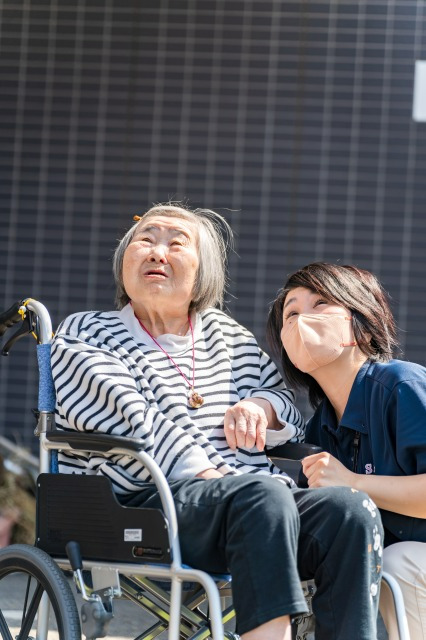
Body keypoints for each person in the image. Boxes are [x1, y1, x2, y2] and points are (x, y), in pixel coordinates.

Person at [51, 205, 383, 640]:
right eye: (145, 239)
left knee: (348, 509)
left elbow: (285, 404)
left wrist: (261, 407)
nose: (157, 252)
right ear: (124, 261)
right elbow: (126, 417)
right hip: (144, 504)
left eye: (176, 242)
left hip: (255, 507)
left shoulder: (228, 338)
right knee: (261, 496)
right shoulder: (86, 332)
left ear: (203, 270)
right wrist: (212, 474)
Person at [267, 261, 426, 640]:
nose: (302, 320)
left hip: (407, 563)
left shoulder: (401, 385)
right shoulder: (320, 426)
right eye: (291, 313)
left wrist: (353, 482)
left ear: (360, 323)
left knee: (398, 563)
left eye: (320, 304)